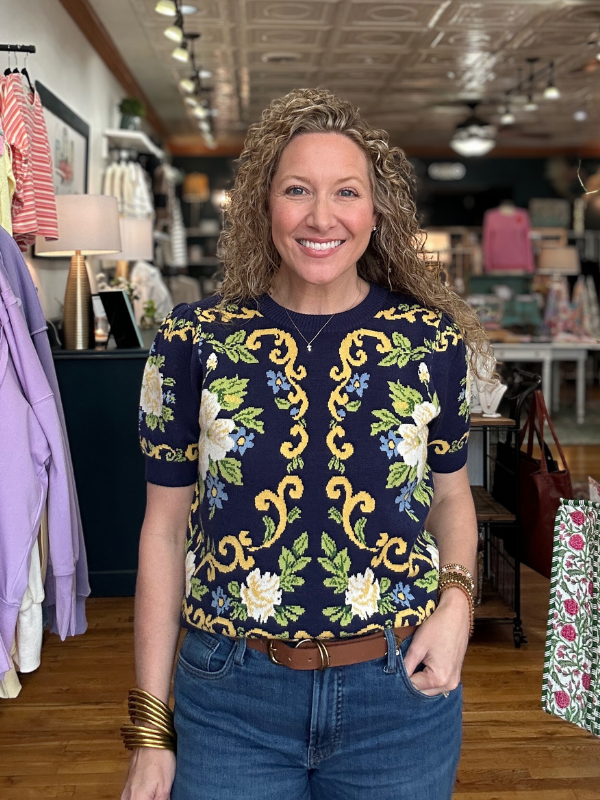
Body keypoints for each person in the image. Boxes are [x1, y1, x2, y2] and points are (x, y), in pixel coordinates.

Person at [121, 88, 490, 800]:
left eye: (346, 192)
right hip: (229, 700)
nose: (322, 217)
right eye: (297, 190)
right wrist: (150, 731)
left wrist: (457, 607)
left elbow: (451, 498)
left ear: (376, 212)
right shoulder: (193, 340)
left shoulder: (429, 343)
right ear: (263, 207)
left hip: (400, 694)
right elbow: (163, 531)